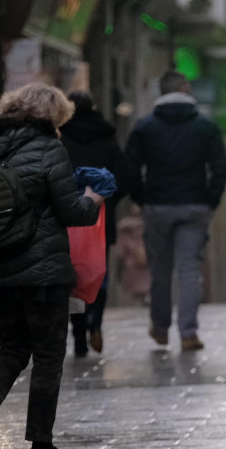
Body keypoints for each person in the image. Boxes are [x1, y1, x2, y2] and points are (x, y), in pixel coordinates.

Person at [0, 83, 104, 449]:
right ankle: (41, 448)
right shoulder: (48, 148)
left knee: (11, 348)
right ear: (51, 116)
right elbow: (72, 212)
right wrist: (94, 198)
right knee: (49, 357)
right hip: (42, 276)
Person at [124, 70, 226, 351]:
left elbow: (130, 168)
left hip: (157, 206)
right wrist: (211, 199)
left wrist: (142, 198)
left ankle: (160, 328)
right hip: (194, 206)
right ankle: (188, 333)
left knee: (159, 271)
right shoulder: (205, 127)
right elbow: (220, 167)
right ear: (184, 89)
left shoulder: (145, 127)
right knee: (189, 270)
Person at [60, 91, 128, 357]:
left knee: (74, 275)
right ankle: (95, 322)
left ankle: (78, 335)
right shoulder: (107, 138)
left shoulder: (60, 139)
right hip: (101, 215)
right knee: (99, 272)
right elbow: (124, 175)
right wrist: (106, 200)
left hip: (68, 215)